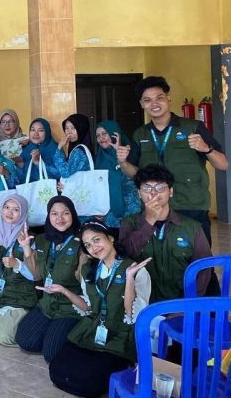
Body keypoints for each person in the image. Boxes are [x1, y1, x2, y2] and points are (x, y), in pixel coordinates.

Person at [117, 75, 227, 246]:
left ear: (168, 98)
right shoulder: (140, 134)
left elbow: (223, 164)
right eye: (147, 100)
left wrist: (206, 148)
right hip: (155, 207)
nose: (154, 104)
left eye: (159, 98)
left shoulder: (193, 127)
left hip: (191, 205)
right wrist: (123, 162)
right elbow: (136, 174)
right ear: (142, 104)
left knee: (197, 258)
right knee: (160, 258)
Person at [47, 222, 152, 398]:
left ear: (110, 238)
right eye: (88, 245)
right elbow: (87, 307)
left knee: (89, 382)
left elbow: (131, 314)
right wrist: (64, 291)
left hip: (119, 334)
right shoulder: (90, 270)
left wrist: (129, 280)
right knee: (57, 370)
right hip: (92, 330)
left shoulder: (135, 269)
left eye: (97, 240)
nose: (94, 248)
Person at [119, 165, 212, 302]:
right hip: (142, 305)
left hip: (181, 304)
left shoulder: (192, 227)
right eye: (146, 188)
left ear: (171, 191)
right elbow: (125, 254)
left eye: (160, 187)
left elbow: (203, 270)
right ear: (139, 193)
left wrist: (186, 306)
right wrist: (149, 221)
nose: (153, 193)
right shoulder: (128, 223)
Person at [15, 196, 82, 363]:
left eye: (65, 213)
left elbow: (85, 280)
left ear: (73, 214)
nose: (60, 218)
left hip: (69, 307)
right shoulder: (43, 240)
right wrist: (25, 248)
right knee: (25, 341)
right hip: (47, 303)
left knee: (51, 354)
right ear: (48, 216)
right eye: (54, 214)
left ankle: (74, 331)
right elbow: (37, 275)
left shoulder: (82, 243)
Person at [0, 194, 36, 346]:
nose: (10, 212)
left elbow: (35, 275)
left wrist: (17, 264)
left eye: (16, 209)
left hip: (21, 294)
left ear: (23, 213)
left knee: (5, 336)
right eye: (7, 207)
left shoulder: (30, 239)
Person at [94, 120, 140, 228]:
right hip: (109, 215)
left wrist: (118, 153)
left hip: (131, 210)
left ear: (114, 133)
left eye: (105, 133)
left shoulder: (130, 152)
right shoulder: (98, 159)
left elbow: (137, 176)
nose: (101, 138)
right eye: (98, 135)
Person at [19, 118, 60, 183]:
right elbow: (18, 179)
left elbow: (59, 175)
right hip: (27, 191)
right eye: (33, 130)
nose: (36, 134)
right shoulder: (27, 149)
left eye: (40, 130)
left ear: (47, 132)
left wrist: (38, 163)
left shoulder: (56, 149)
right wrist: (20, 165)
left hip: (48, 191)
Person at [54, 114, 92, 183]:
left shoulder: (79, 151)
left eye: (73, 128)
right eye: (66, 128)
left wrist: (59, 148)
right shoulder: (83, 147)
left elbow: (65, 173)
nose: (69, 132)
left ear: (81, 128)